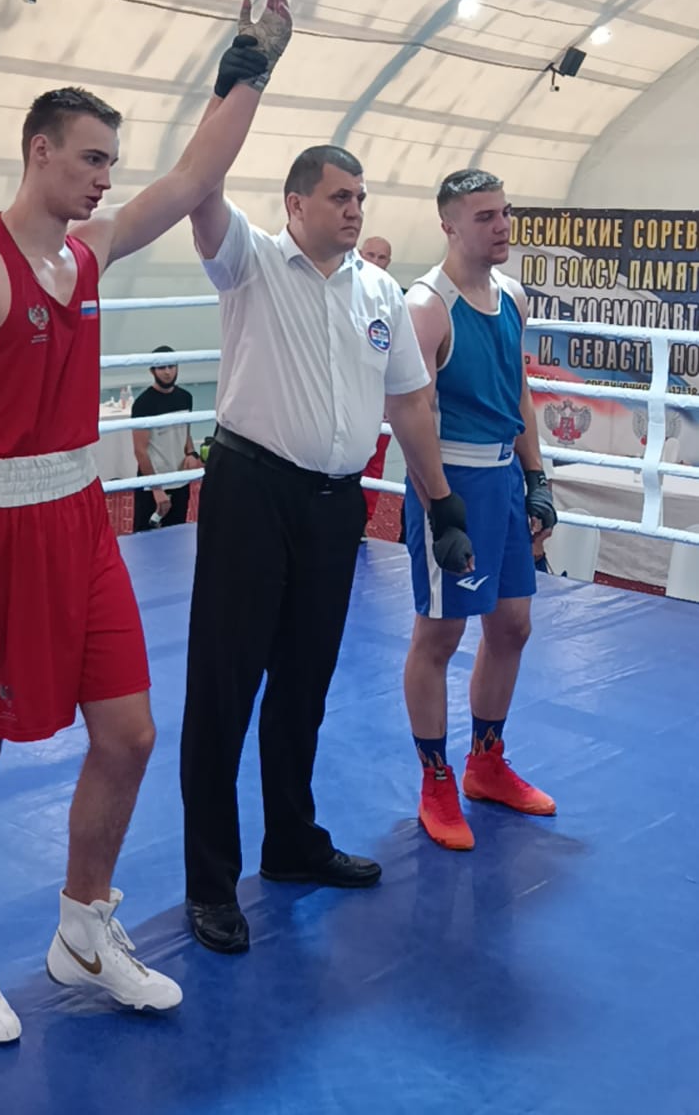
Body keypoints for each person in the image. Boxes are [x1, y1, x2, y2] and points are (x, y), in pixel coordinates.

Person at [0, 0, 293, 1043]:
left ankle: (82, 928)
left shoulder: (88, 252)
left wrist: (251, 68)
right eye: (89, 158)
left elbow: (193, 177)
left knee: (128, 732)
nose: (105, 177)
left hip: (80, 522)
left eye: (111, 161)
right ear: (39, 153)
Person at [180, 145, 473, 953]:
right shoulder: (248, 261)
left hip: (333, 505)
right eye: (340, 196)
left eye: (360, 197)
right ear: (295, 204)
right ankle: (210, 881)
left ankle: (289, 841)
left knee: (304, 681)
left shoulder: (378, 290)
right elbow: (200, 192)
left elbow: (409, 403)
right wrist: (238, 87)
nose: (354, 209)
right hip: (250, 492)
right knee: (223, 689)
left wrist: (440, 500)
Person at [401, 169, 558, 853]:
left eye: (504, 212)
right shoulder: (426, 306)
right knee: (438, 636)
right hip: (450, 479)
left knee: (513, 625)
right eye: (485, 216)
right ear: (449, 225)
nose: (501, 226)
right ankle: (435, 779)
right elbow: (410, 413)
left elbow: (517, 388)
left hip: (502, 477)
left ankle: (485, 763)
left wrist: (536, 475)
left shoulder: (512, 295)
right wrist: (440, 507)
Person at [131, 346, 202, 532]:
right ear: (152, 370)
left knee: (176, 534)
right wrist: (156, 489)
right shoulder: (143, 404)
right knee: (144, 538)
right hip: (153, 484)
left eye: (171, 366)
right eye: (162, 367)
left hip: (180, 480)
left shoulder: (185, 397)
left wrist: (191, 453)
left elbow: (185, 433)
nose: (168, 372)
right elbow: (140, 450)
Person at [359, 237, 394, 531]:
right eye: (370, 255)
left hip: (381, 392)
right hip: (347, 392)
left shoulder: (396, 300)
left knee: (375, 459)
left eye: (381, 257)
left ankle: (363, 521)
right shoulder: (341, 292)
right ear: (360, 255)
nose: (375, 262)